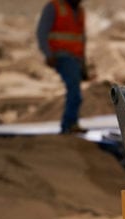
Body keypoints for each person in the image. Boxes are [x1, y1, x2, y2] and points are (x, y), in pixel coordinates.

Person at [36, 0, 88, 134]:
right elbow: (42, 32)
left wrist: (83, 63)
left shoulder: (79, 11)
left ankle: (70, 124)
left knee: (75, 90)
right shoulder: (54, 7)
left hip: (75, 58)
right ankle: (69, 125)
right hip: (62, 55)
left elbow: (81, 38)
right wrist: (48, 54)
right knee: (74, 91)